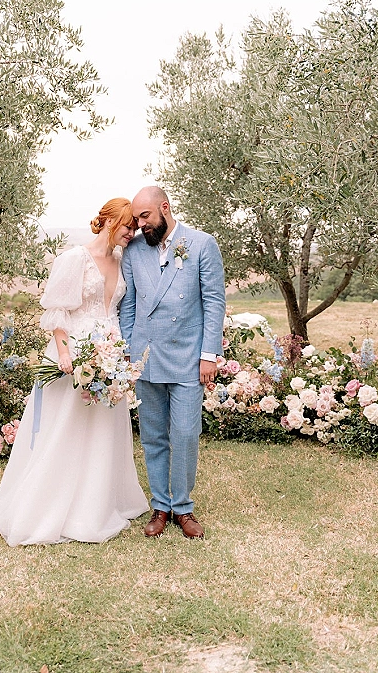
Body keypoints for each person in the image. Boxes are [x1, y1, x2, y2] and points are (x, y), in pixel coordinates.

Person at [0, 198, 148, 545]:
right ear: (109, 222)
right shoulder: (74, 258)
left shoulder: (123, 260)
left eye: (134, 228)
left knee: (102, 428)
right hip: (73, 353)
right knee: (66, 428)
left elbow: (118, 311)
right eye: (127, 226)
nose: (131, 233)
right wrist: (65, 354)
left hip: (111, 354)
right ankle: (49, 506)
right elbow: (58, 311)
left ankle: (97, 502)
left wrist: (119, 355)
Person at [119, 187, 226, 539]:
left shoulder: (202, 244)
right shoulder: (134, 250)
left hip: (187, 356)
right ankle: (160, 506)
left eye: (145, 216)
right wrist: (127, 352)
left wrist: (208, 355)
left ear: (165, 208)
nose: (139, 225)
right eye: (136, 218)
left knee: (184, 433)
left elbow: (214, 302)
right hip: (145, 356)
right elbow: (130, 305)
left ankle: (183, 507)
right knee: (152, 436)